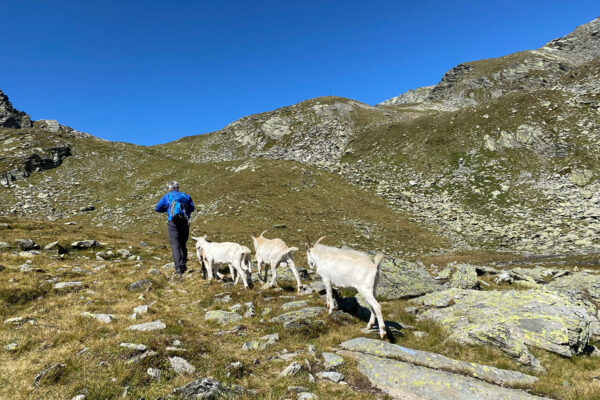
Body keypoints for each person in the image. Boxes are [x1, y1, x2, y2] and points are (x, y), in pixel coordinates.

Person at [155, 181, 195, 277]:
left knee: (175, 244)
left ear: (170, 188)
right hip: (185, 222)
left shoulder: (167, 196)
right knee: (182, 243)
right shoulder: (186, 196)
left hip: (173, 222)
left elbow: (157, 208)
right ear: (178, 188)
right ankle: (183, 264)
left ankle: (178, 268)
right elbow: (192, 208)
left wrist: (167, 209)